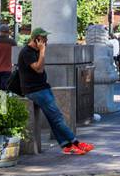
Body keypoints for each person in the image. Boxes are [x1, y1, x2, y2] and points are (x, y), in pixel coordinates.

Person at [17, 27, 92, 155]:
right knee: (57, 118)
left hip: (42, 88)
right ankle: (76, 143)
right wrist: (42, 51)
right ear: (36, 39)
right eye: (44, 38)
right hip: (35, 90)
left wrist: (41, 51)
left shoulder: (35, 51)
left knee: (54, 118)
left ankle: (66, 146)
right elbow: (39, 69)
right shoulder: (27, 52)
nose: (46, 41)